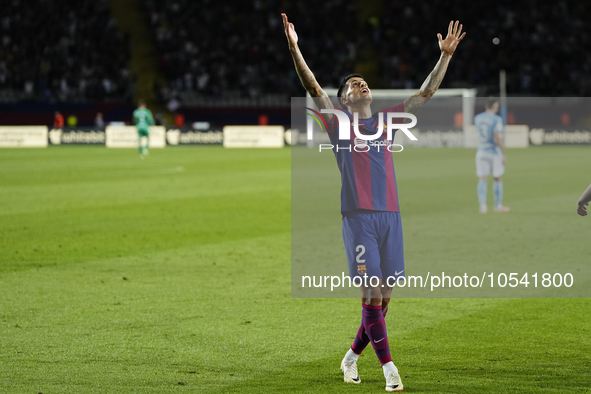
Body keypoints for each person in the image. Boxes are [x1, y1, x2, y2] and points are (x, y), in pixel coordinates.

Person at [282, 13, 465, 392]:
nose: (361, 85)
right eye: (352, 84)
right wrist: (295, 48)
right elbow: (312, 85)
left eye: (363, 82)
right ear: (343, 99)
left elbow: (425, 94)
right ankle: (390, 371)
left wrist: (445, 56)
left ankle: (351, 357)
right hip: (359, 218)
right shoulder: (336, 124)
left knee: (382, 304)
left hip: (391, 216)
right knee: (371, 294)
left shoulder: (387, 120)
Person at [475, 98, 509, 213]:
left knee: (483, 178)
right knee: (498, 178)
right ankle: (497, 206)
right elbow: (496, 136)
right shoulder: (497, 119)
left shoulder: (478, 118)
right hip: (494, 153)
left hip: (481, 151)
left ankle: (482, 206)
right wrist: (503, 153)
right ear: (495, 107)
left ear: (486, 106)